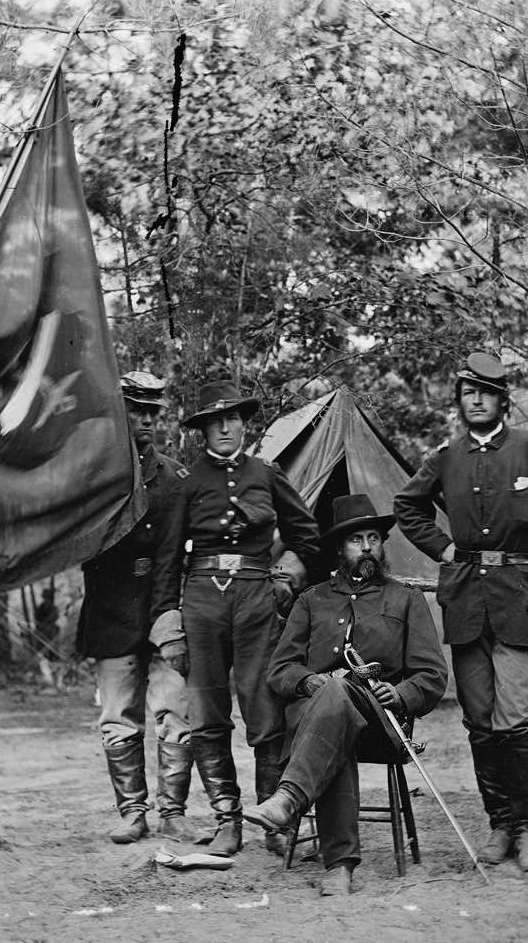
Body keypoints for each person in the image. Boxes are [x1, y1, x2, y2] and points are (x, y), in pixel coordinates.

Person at [394, 351, 528, 874]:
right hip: (465, 600)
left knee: (517, 718)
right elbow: (408, 505)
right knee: (480, 721)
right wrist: (445, 550)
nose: (474, 399)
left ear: (503, 399)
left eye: (485, 391)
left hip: (520, 599)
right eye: (467, 391)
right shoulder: (447, 456)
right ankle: (499, 825)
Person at [244, 494, 448, 895]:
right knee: (334, 703)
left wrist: (402, 692)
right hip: (320, 719)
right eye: (358, 540)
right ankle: (338, 866)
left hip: (382, 722)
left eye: (374, 537)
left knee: (338, 701)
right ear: (340, 548)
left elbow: (433, 674)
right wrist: (307, 683)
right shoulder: (311, 600)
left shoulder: (405, 600)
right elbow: (280, 670)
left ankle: (290, 800)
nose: (368, 546)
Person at [179, 380, 320, 857]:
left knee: (265, 709)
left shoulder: (266, 473)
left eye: (233, 418)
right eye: (215, 421)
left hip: (258, 600)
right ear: (202, 430)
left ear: (244, 424)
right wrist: (166, 618)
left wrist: (287, 576)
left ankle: (271, 819)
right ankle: (226, 820)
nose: (225, 427)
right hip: (200, 601)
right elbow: (164, 559)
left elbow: (307, 535)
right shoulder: (189, 481)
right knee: (206, 714)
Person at [75, 371, 197, 844]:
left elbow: (174, 551)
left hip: (163, 607)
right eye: (135, 409)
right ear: (117, 411)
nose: (145, 420)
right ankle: (132, 812)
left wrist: (171, 615)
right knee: (118, 715)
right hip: (111, 609)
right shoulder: (92, 474)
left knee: (173, 711)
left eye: (152, 412)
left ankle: (173, 812)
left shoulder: (174, 478)